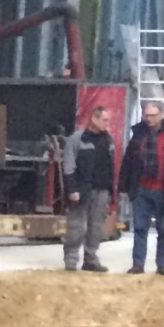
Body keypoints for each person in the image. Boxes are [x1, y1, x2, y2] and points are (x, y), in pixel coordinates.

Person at [118, 100, 164, 277]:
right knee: (140, 228)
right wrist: (124, 185)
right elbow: (128, 161)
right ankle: (138, 264)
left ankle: (162, 265)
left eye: (152, 115)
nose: (148, 119)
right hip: (142, 189)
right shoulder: (138, 135)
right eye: (146, 115)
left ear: (161, 115)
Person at [63, 105, 117, 273]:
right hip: (81, 191)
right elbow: (69, 166)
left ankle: (90, 259)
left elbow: (111, 167)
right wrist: (72, 189)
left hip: (102, 191)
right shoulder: (77, 139)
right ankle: (71, 260)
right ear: (94, 119)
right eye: (105, 120)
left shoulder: (108, 140)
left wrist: (111, 193)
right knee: (76, 227)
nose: (107, 123)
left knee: (96, 227)